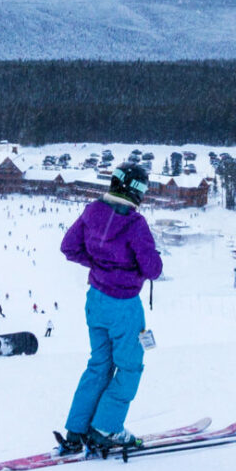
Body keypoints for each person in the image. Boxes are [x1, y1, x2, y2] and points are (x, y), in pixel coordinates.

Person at [55, 162, 163, 452]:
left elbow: (69, 247)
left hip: (96, 300)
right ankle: (107, 425)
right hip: (125, 306)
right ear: (137, 190)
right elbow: (152, 269)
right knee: (130, 367)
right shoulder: (135, 224)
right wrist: (124, 269)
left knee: (99, 364)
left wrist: (100, 265)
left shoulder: (93, 211)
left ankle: (76, 429)